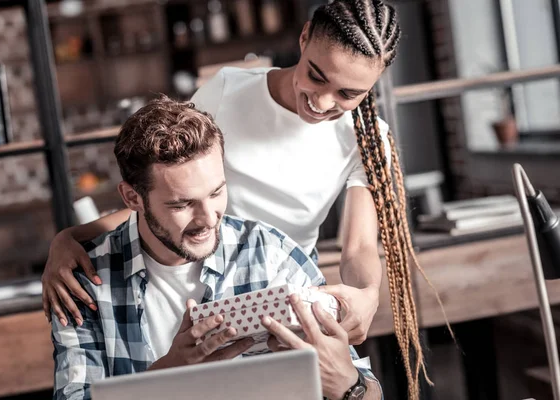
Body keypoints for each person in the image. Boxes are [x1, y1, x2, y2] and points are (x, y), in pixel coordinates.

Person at [44, 1, 427, 397]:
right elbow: (168, 183)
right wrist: (71, 238)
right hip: (192, 265)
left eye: (349, 94)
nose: (324, 102)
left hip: (281, 283)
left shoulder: (366, 138)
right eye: (316, 76)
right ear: (304, 38)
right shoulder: (228, 92)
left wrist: (366, 296)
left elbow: (361, 246)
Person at [51, 96, 382, 400]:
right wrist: (169, 374)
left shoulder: (271, 254)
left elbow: (369, 393)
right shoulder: (85, 284)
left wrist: (347, 385)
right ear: (132, 198)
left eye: (216, 192)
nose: (208, 219)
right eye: (182, 205)